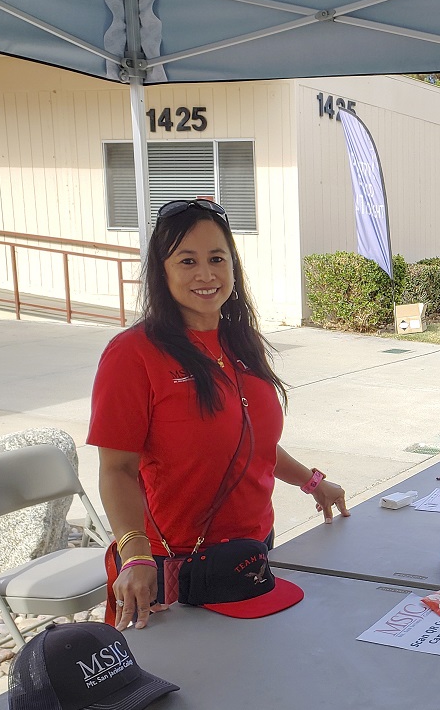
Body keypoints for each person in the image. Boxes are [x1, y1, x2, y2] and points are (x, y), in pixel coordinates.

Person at [89, 199, 349, 629]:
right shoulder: (132, 354)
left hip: (251, 549)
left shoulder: (240, 342)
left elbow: (252, 441)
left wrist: (312, 481)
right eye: (187, 260)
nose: (206, 274)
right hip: (169, 568)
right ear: (162, 269)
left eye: (217, 259)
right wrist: (133, 553)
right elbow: (116, 469)